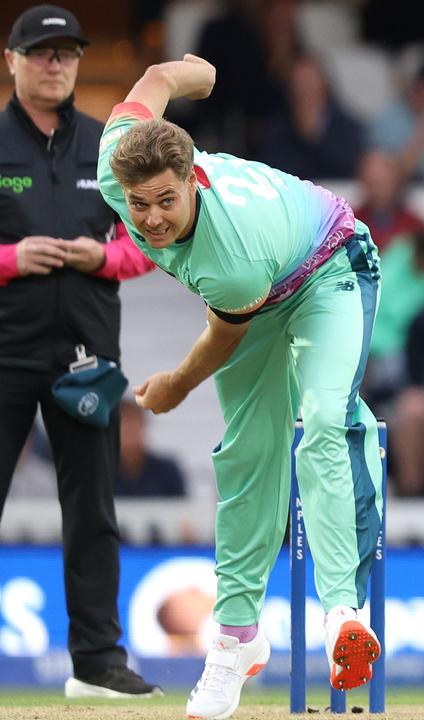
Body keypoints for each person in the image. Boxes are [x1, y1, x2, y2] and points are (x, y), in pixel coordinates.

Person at [98, 55, 385, 719]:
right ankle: (235, 645)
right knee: (247, 458)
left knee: (321, 420)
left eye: (168, 201)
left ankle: (342, 613)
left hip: (328, 269)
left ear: (194, 176)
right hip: (260, 290)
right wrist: (189, 70)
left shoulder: (229, 261)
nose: (153, 221)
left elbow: (223, 336)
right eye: (139, 206)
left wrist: (173, 385)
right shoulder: (122, 160)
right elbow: (155, 84)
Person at [0, 4, 159, 700]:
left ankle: (97, 664)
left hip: (86, 358)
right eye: (40, 52)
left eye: (66, 52)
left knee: (93, 512)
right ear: (12, 61)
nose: (55, 63)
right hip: (5, 352)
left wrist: (103, 255)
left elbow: (155, 240)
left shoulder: (110, 147)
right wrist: (10, 258)